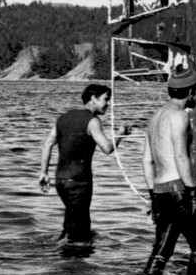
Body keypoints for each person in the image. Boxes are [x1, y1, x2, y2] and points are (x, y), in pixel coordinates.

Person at [38, 83, 129, 245]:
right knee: (78, 232)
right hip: (79, 183)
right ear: (93, 99)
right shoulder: (93, 121)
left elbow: (47, 144)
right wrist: (120, 134)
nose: (108, 104)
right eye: (106, 99)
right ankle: (70, 263)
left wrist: (43, 173)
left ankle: (70, 262)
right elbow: (107, 148)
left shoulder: (63, 118)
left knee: (74, 225)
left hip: (61, 181)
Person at [142, 68, 196, 275]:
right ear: (191, 92)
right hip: (179, 188)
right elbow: (181, 157)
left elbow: (146, 160)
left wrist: (153, 194)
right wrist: (192, 193)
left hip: (161, 190)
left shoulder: (155, 118)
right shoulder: (179, 116)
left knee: (163, 248)